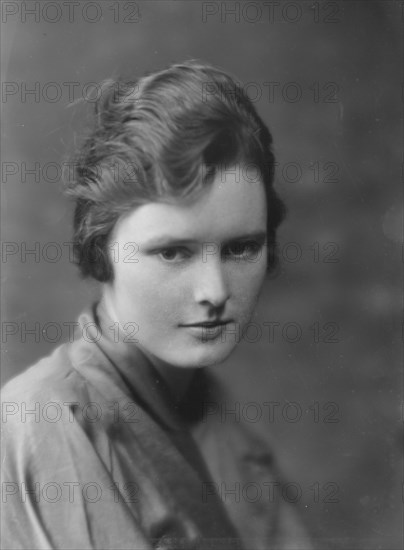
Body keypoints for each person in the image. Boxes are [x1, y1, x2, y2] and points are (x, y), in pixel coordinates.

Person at [1, 60, 312, 549]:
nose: (214, 290)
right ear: (103, 247)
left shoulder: (217, 419)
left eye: (240, 248)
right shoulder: (43, 424)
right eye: (172, 251)